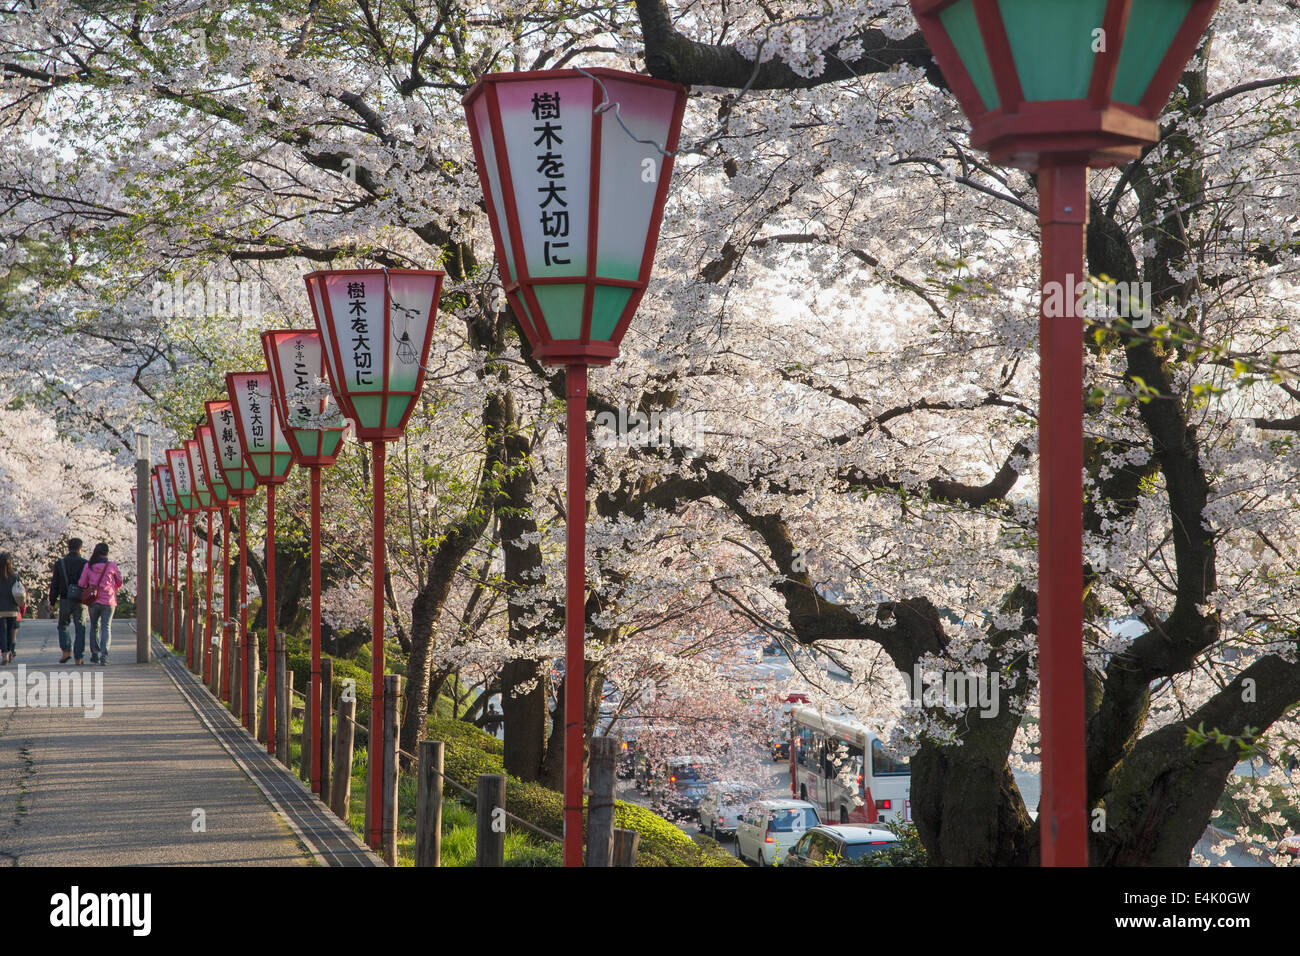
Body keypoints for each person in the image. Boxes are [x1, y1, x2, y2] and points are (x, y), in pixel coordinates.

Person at [78, 543, 123, 666]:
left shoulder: (89, 565)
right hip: (108, 600)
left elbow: (82, 583)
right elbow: (119, 581)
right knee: (106, 627)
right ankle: (104, 655)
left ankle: (95, 654)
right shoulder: (111, 565)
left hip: (93, 601)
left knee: (94, 626)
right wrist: (114, 585)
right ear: (107, 553)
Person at [49, 538, 89, 664]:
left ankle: (66, 651)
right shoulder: (85, 563)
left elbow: (54, 583)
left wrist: (52, 601)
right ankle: (79, 657)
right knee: (80, 627)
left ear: (68, 548)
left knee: (63, 625)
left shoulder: (60, 563)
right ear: (80, 548)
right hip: (80, 600)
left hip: (65, 598)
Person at [0, 552, 26, 665]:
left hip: (0, 609)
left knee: (2, 632)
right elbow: (21, 593)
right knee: (10, 632)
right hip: (12, 609)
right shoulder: (15, 577)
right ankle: (10, 652)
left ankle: (4, 653)